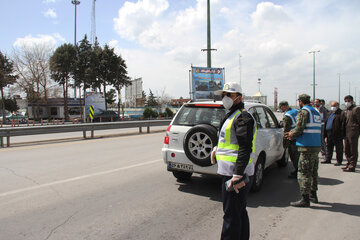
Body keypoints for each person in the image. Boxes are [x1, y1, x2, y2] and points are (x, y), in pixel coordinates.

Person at [212, 82, 256, 240]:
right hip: (230, 172)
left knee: (231, 215)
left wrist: (237, 175)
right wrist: (217, 148)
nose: (225, 98)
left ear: (239, 97)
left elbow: (245, 147)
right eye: (224, 95)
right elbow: (229, 139)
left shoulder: (243, 117)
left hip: (235, 174)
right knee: (239, 212)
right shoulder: (232, 115)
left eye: (229, 95)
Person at [285, 94, 321, 207]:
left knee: (304, 172)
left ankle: (305, 199)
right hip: (315, 145)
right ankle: (313, 195)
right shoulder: (315, 112)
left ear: (300, 101)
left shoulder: (304, 112)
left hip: (306, 146)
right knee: (313, 171)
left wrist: (291, 134)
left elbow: (300, 128)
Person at [279, 101, 300, 178]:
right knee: (299, 156)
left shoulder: (287, 115)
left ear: (284, 106)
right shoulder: (296, 111)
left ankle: (298, 172)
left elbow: (286, 131)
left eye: (281, 107)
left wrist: (285, 143)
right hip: (300, 136)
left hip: (293, 138)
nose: (280, 109)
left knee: (294, 156)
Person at [322, 101, 346, 165]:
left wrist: (341, 133)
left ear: (337, 106)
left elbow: (343, 124)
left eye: (334, 106)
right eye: (332, 106)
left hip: (337, 134)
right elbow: (326, 122)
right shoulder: (330, 113)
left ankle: (339, 161)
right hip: (329, 133)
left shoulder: (341, 113)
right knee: (329, 147)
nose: (333, 107)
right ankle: (328, 159)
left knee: (338, 148)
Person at [342, 95, 360, 172]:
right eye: (345, 101)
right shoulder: (347, 110)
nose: (347, 103)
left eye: (348, 101)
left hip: (353, 132)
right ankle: (349, 163)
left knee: (353, 150)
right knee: (347, 150)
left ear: (352, 101)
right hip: (346, 132)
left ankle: (352, 165)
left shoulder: (356, 109)